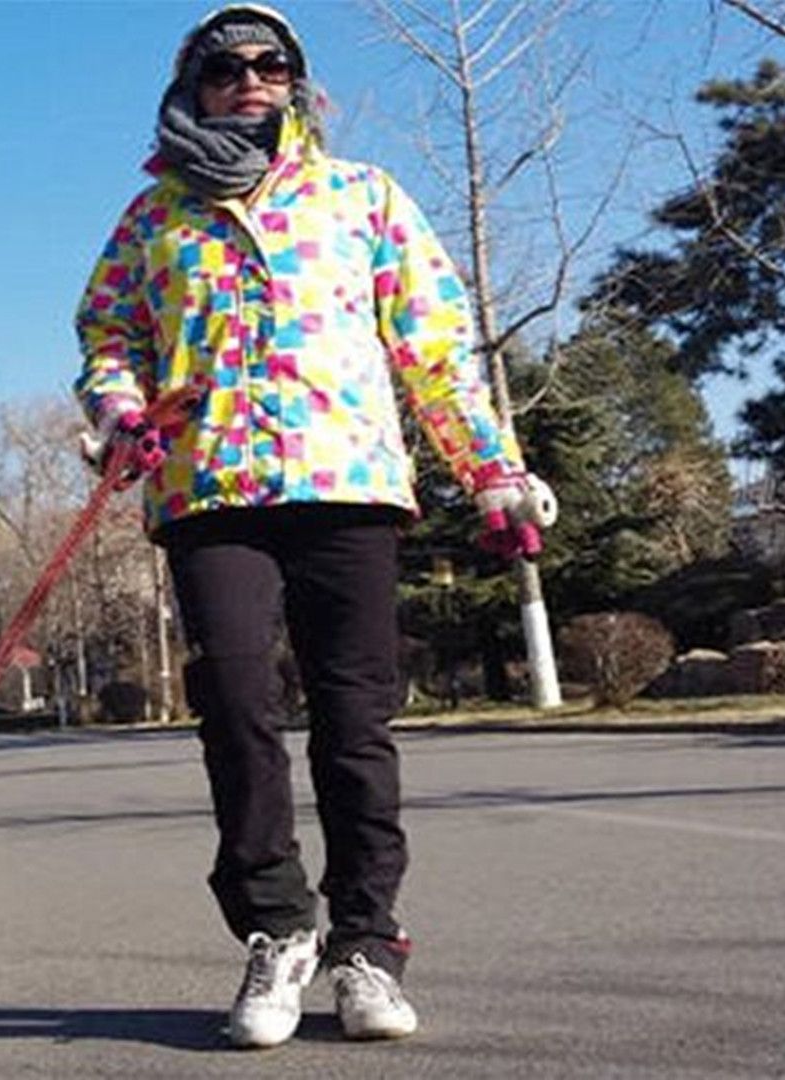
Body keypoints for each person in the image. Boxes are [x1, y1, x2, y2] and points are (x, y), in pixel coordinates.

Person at [72, 3, 554, 1048]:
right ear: (190, 87)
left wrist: (494, 473)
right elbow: (107, 337)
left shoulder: (362, 197)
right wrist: (117, 412)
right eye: (223, 68)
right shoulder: (154, 217)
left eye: (270, 64)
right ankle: (276, 932)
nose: (248, 80)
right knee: (237, 703)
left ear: (297, 81)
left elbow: (434, 352)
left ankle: (368, 945)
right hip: (211, 492)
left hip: (349, 485)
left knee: (354, 720)